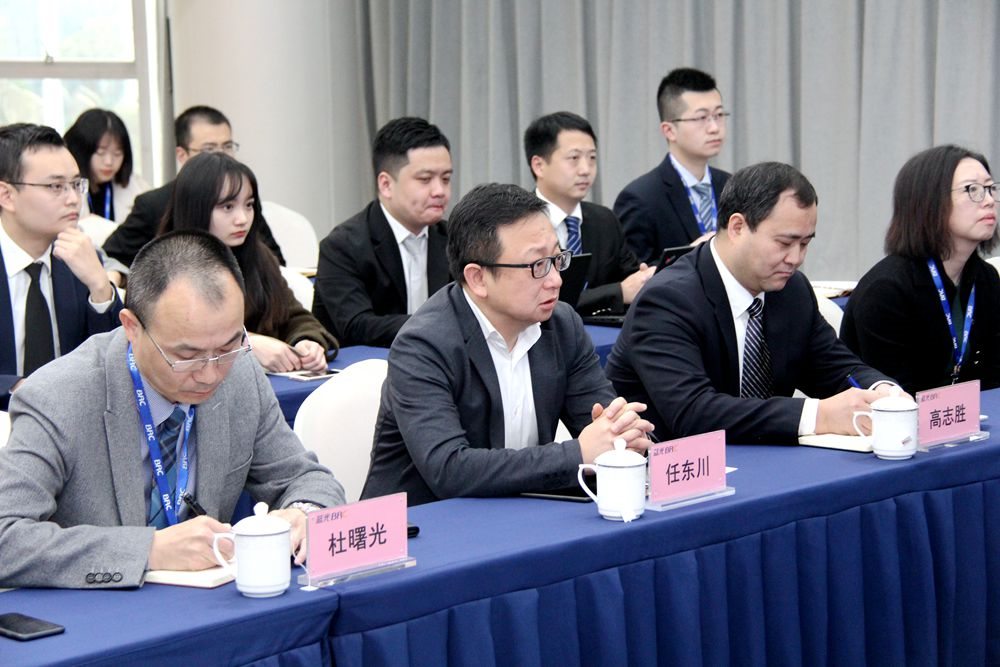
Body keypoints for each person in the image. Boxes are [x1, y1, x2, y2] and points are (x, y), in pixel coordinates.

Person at [0, 231, 346, 589]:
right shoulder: (59, 398)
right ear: (132, 327)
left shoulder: (240, 373)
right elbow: (4, 536)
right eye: (186, 356)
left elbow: (306, 478)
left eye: (228, 347)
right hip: (100, 611)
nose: (210, 374)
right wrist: (149, 550)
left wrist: (303, 514)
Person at [361, 183, 654, 506]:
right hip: (423, 523)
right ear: (478, 278)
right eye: (537, 266)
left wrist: (624, 436)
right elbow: (450, 469)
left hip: (524, 508)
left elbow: (602, 422)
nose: (556, 280)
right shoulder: (423, 345)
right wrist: (579, 453)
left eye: (557, 259)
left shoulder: (561, 325)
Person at [606, 162, 897, 444]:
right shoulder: (667, 300)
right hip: (670, 465)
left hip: (761, 456)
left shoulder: (792, 290)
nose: (796, 258)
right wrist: (819, 416)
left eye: (805, 243)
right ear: (737, 227)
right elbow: (694, 412)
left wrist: (883, 392)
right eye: (784, 243)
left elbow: (835, 366)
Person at [841, 145, 1000, 395]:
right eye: (972, 190)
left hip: (971, 416)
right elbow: (893, 397)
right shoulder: (886, 290)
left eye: (990, 189)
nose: (989, 201)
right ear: (930, 201)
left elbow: (993, 377)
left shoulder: (985, 278)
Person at [160, 152, 336, 372]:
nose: (242, 219)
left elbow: (294, 317)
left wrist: (306, 342)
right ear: (196, 208)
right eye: (227, 207)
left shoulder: (259, 257)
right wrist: (245, 344)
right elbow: (173, 337)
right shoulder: (164, 267)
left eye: (249, 205)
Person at [0, 123, 122, 409]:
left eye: (76, 185)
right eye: (56, 186)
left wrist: (100, 287)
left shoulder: (79, 257)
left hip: (70, 421)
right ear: (6, 195)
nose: (73, 199)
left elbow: (114, 363)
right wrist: (16, 388)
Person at [313, 117, 452, 347]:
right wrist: (439, 324)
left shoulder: (454, 240)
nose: (440, 191)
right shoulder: (342, 246)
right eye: (425, 179)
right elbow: (357, 326)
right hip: (365, 364)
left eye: (446, 179)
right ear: (386, 184)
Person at [102, 105, 285, 268]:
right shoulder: (153, 204)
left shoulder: (242, 196)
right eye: (209, 149)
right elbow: (111, 257)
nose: (222, 156)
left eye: (228, 146)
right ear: (182, 155)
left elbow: (276, 261)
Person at [523, 111, 654, 316]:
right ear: (539, 165)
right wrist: (617, 293)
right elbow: (535, 299)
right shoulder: (521, 224)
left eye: (591, 158)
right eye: (574, 158)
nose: (585, 169)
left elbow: (632, 278)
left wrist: (645, 278)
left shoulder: (605, 220)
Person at [614, 67, 732, 263]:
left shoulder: (732, 186)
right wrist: (691, 254)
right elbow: (635, 274)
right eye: (701, 118)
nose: (714, 127)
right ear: (669, 130)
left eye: (719, 115)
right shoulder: (640, 198)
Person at [64, 108, 150, 229]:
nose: (109, 162)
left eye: (117, 153)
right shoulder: (64, 190)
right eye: (101, 152)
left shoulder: (137, 187)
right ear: (82, 151)